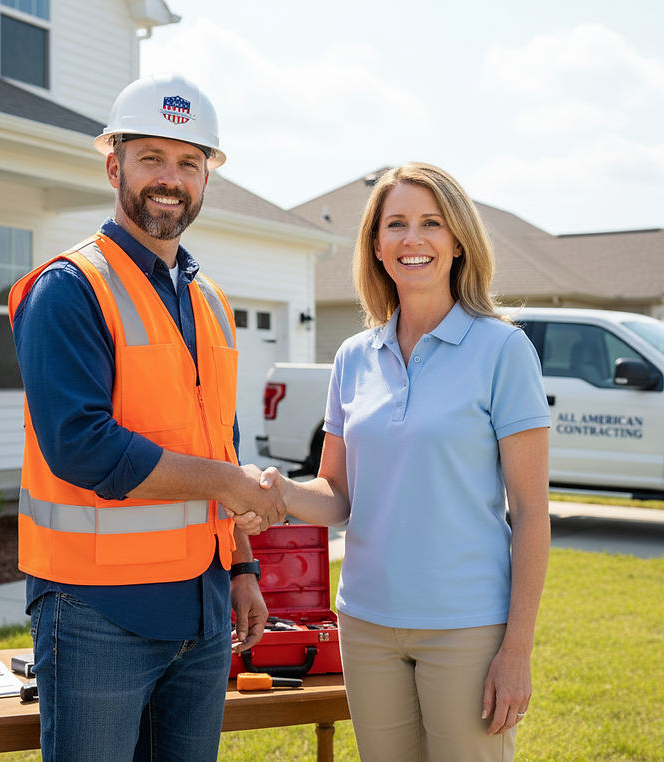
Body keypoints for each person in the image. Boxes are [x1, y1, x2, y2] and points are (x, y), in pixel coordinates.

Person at [8, 73, 286, 762]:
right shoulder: (69, 290)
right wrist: (225, 483)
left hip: (203, 606)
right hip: (97, 612)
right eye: (152, 158)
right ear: (114, 165)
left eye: (190, 162)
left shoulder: (212, 302)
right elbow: (82, 446)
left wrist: (243, 567)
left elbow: (218, 439)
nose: (172, 178)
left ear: (206, 180)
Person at [236, 162, 551, 761]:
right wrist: (277, 490)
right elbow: (336, 494)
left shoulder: (504, 350)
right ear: (376, 247)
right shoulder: (354, 357)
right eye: (396, 224)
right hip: (367, 626)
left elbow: (532, 513)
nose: (414, 239)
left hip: (467, 627)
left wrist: (516, 651)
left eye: (431, 223)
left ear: (458, 241)